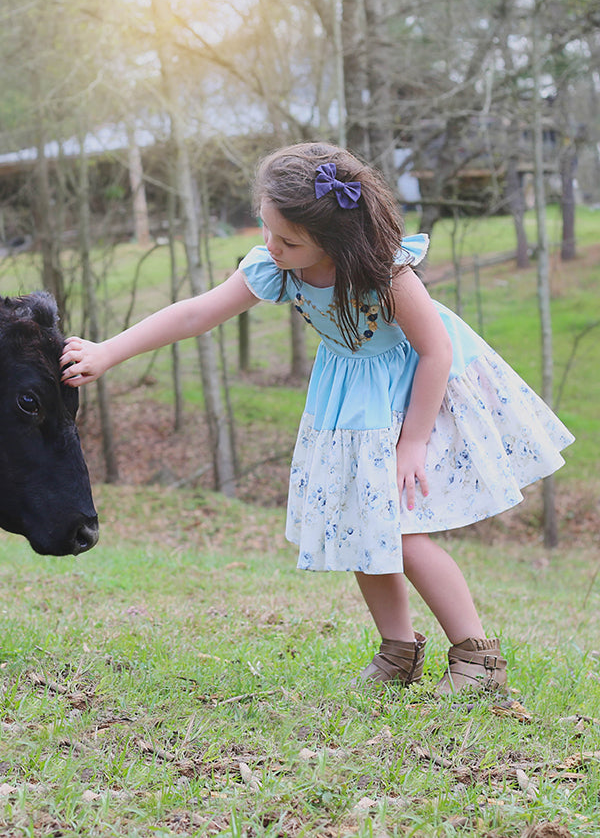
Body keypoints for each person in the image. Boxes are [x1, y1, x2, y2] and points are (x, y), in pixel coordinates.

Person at [61, 142, 574, 694]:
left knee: (406, 531)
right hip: (350, 399)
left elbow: (436, 352)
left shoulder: (385, 273)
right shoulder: (277, 268)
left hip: (418, 396)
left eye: (288, 240)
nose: (272, 246)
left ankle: (478, 660)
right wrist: (108, 351)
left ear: (333, 239)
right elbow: (197, 312)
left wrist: (413, 443)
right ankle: (398, 651)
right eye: (267, 230)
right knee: (363, 523)